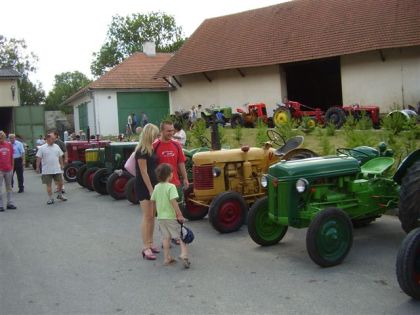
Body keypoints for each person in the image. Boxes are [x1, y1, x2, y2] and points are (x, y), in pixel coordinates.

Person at [151, 163, 190, 268]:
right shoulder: (171, 187)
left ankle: (167, 258)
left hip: (161, 218)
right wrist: (180, 215)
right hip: (171, 217)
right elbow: (174, 202)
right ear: (169, 175)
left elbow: (153, 201)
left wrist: (154, 214)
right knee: (181, 236)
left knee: (166, 238)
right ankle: (184, 254)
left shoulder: (156, 187)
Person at [135, 123, 160, 260]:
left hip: (153, 184)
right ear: (150, 134)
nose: (156, 137)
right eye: (155, 134)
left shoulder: (151, 148)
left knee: (152, 216)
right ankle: (145, 247)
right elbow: (143, 172)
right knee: (146, 216)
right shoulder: (141, 150)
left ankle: (150, 242)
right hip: (144, 186)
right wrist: (151, 190)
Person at [36, 134, 67, 205]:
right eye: (52, 139)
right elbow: (38, 158)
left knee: (61, 183)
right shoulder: (42, 148)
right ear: (47, 139)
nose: (54, 140)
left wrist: (62, 165)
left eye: (54, 139)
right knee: (48, 185)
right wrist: (37, 167)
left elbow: (60, 156)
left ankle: (60, 195)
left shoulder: (57, 146)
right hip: (47, 170)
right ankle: (50, 198)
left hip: (57, 169)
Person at [0, 131, 16, 211]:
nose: (1, 139)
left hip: (8, 169)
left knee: (9, 187)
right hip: (0, 170)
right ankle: (0, 205)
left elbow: (12, 156)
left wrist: (12, 167)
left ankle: (10, 203)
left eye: (2, 137)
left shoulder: (9, 145)